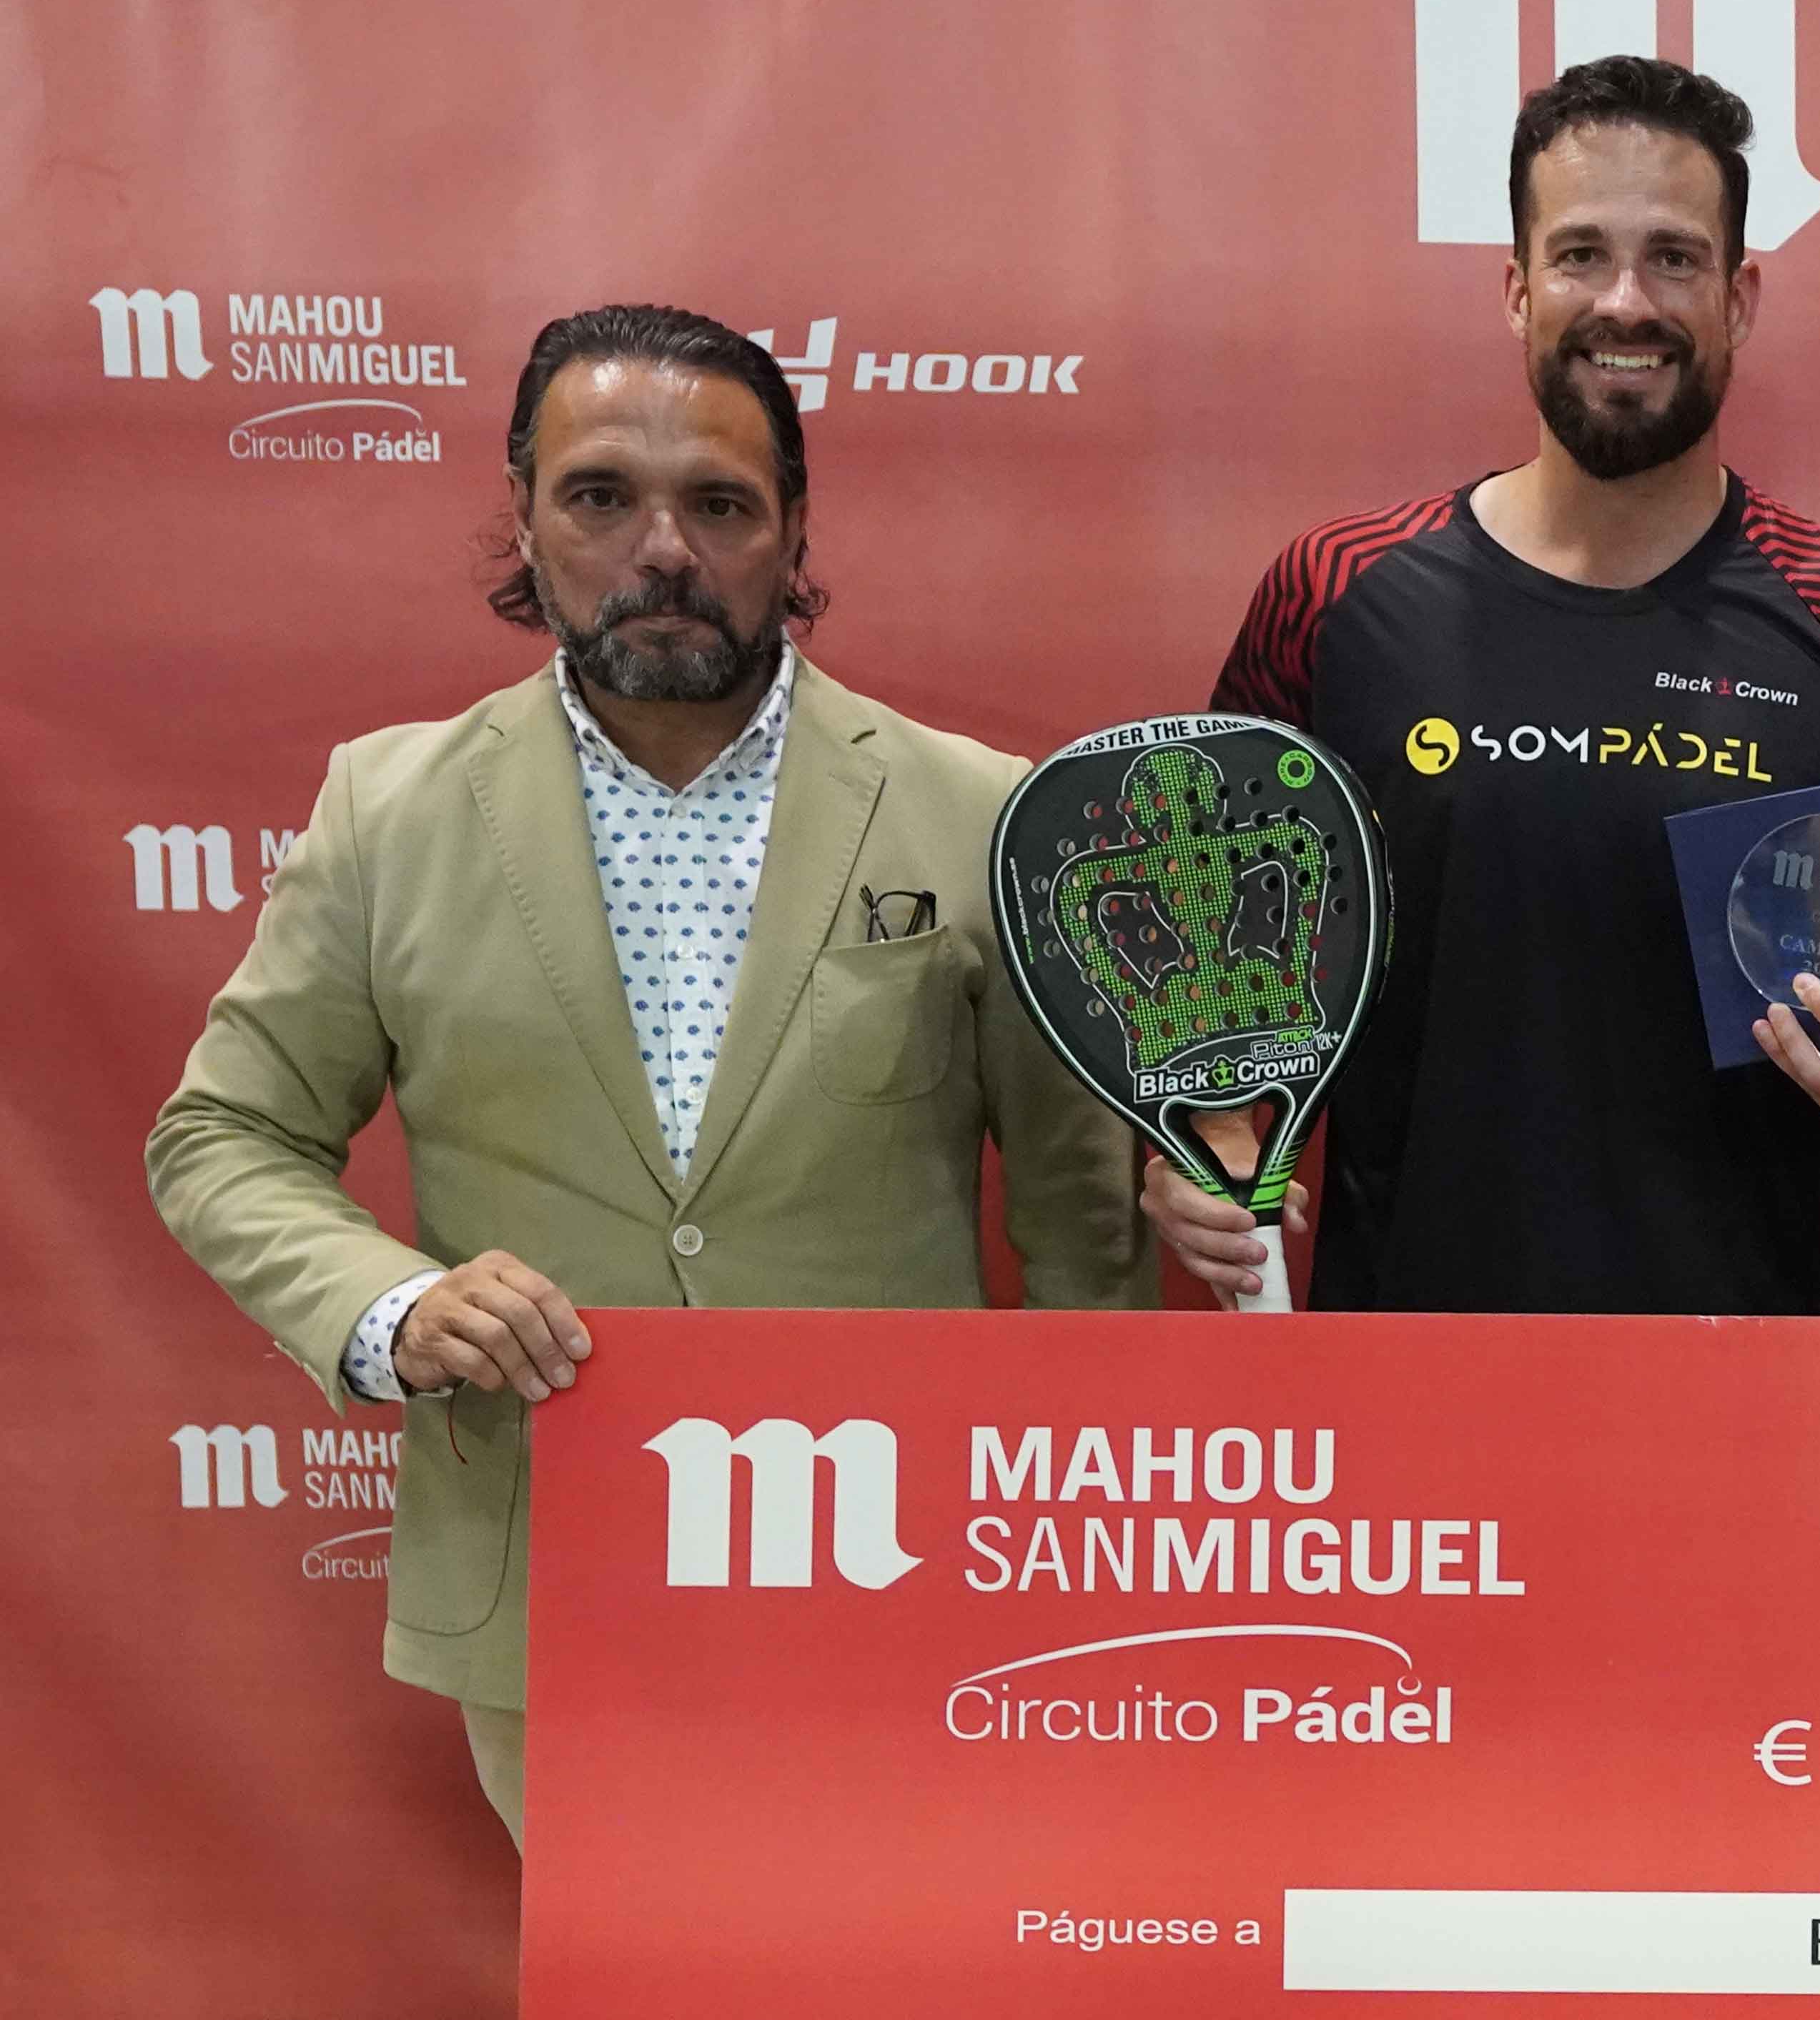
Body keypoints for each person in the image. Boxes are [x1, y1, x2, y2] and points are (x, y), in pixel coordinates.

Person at [145, 305, 1149, 1848]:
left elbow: (1083, 1225)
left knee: (898, 1996)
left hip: (911, 1573)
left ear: (794, 529)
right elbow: (223, 1133)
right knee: (624, 2005)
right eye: (603, 496)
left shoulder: (982, 814)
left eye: (721, 505)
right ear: (526, 517)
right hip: (553, 1571)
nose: (664, 550)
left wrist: (1084, 1565)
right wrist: (390, 1306)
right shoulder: (388, 813)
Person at [1153, 55, 1820, 1314]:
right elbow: (1221, 963)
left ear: (1739, 297)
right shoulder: (1336, 596)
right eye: (1580, 256)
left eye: (1674, 258)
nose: (1626, 301)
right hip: (1404, 1360)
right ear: (1517, 290)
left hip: (1751, 1372)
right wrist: (1210, 1138)